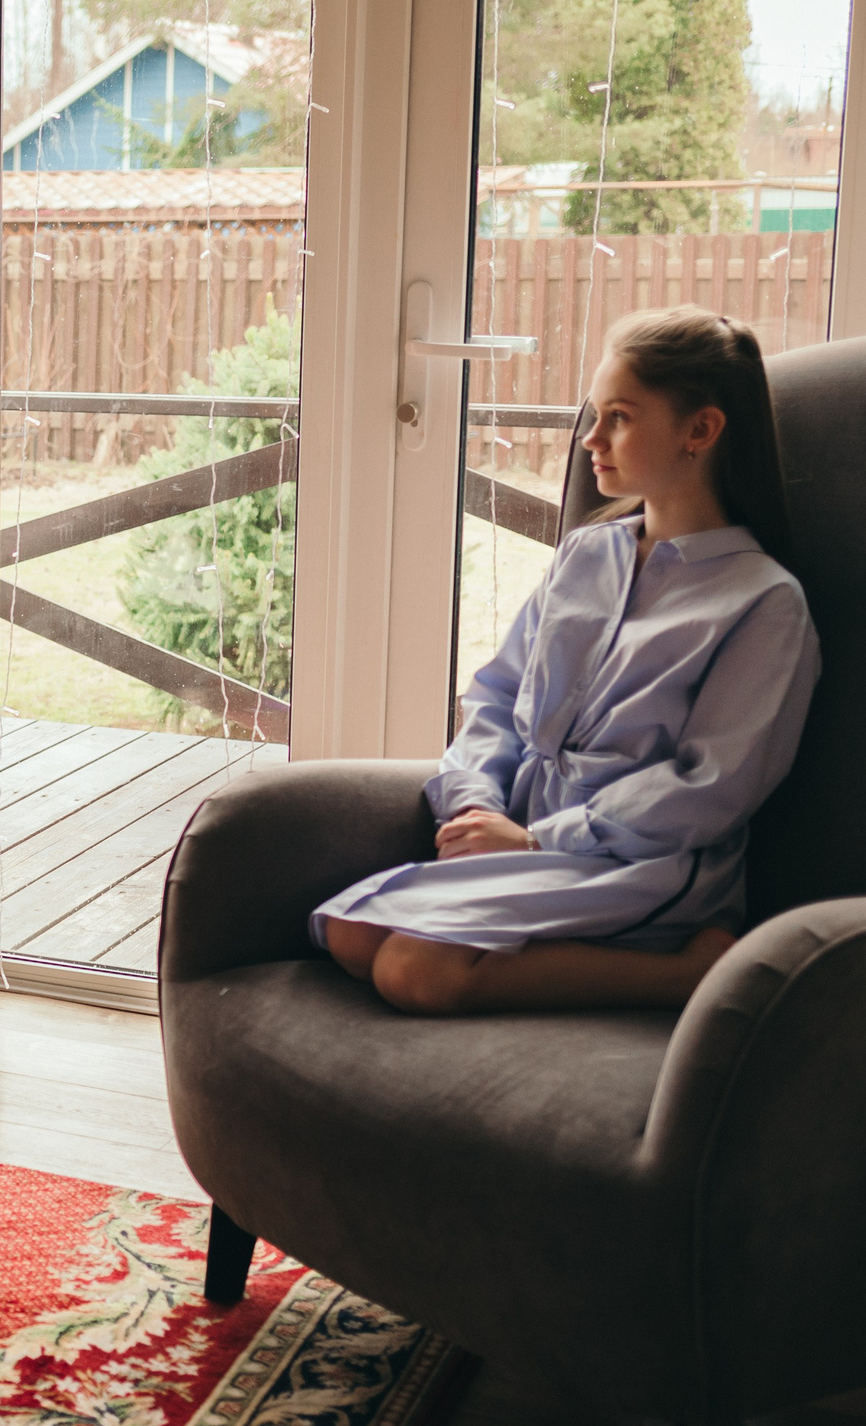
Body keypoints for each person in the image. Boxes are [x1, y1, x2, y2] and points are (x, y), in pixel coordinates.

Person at [315, 305, 819, 1015]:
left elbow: (709, 788)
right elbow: (497, 694)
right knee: (350, 931)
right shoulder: (587, 554)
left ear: (699, 430)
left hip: (643, 859)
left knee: (412, 969)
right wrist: (476, 803)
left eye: (618, 416)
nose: (591, 439)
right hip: (523, 834)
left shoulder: (765, 603)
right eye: (595, 414)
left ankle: (688, 972)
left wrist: (533, 839)